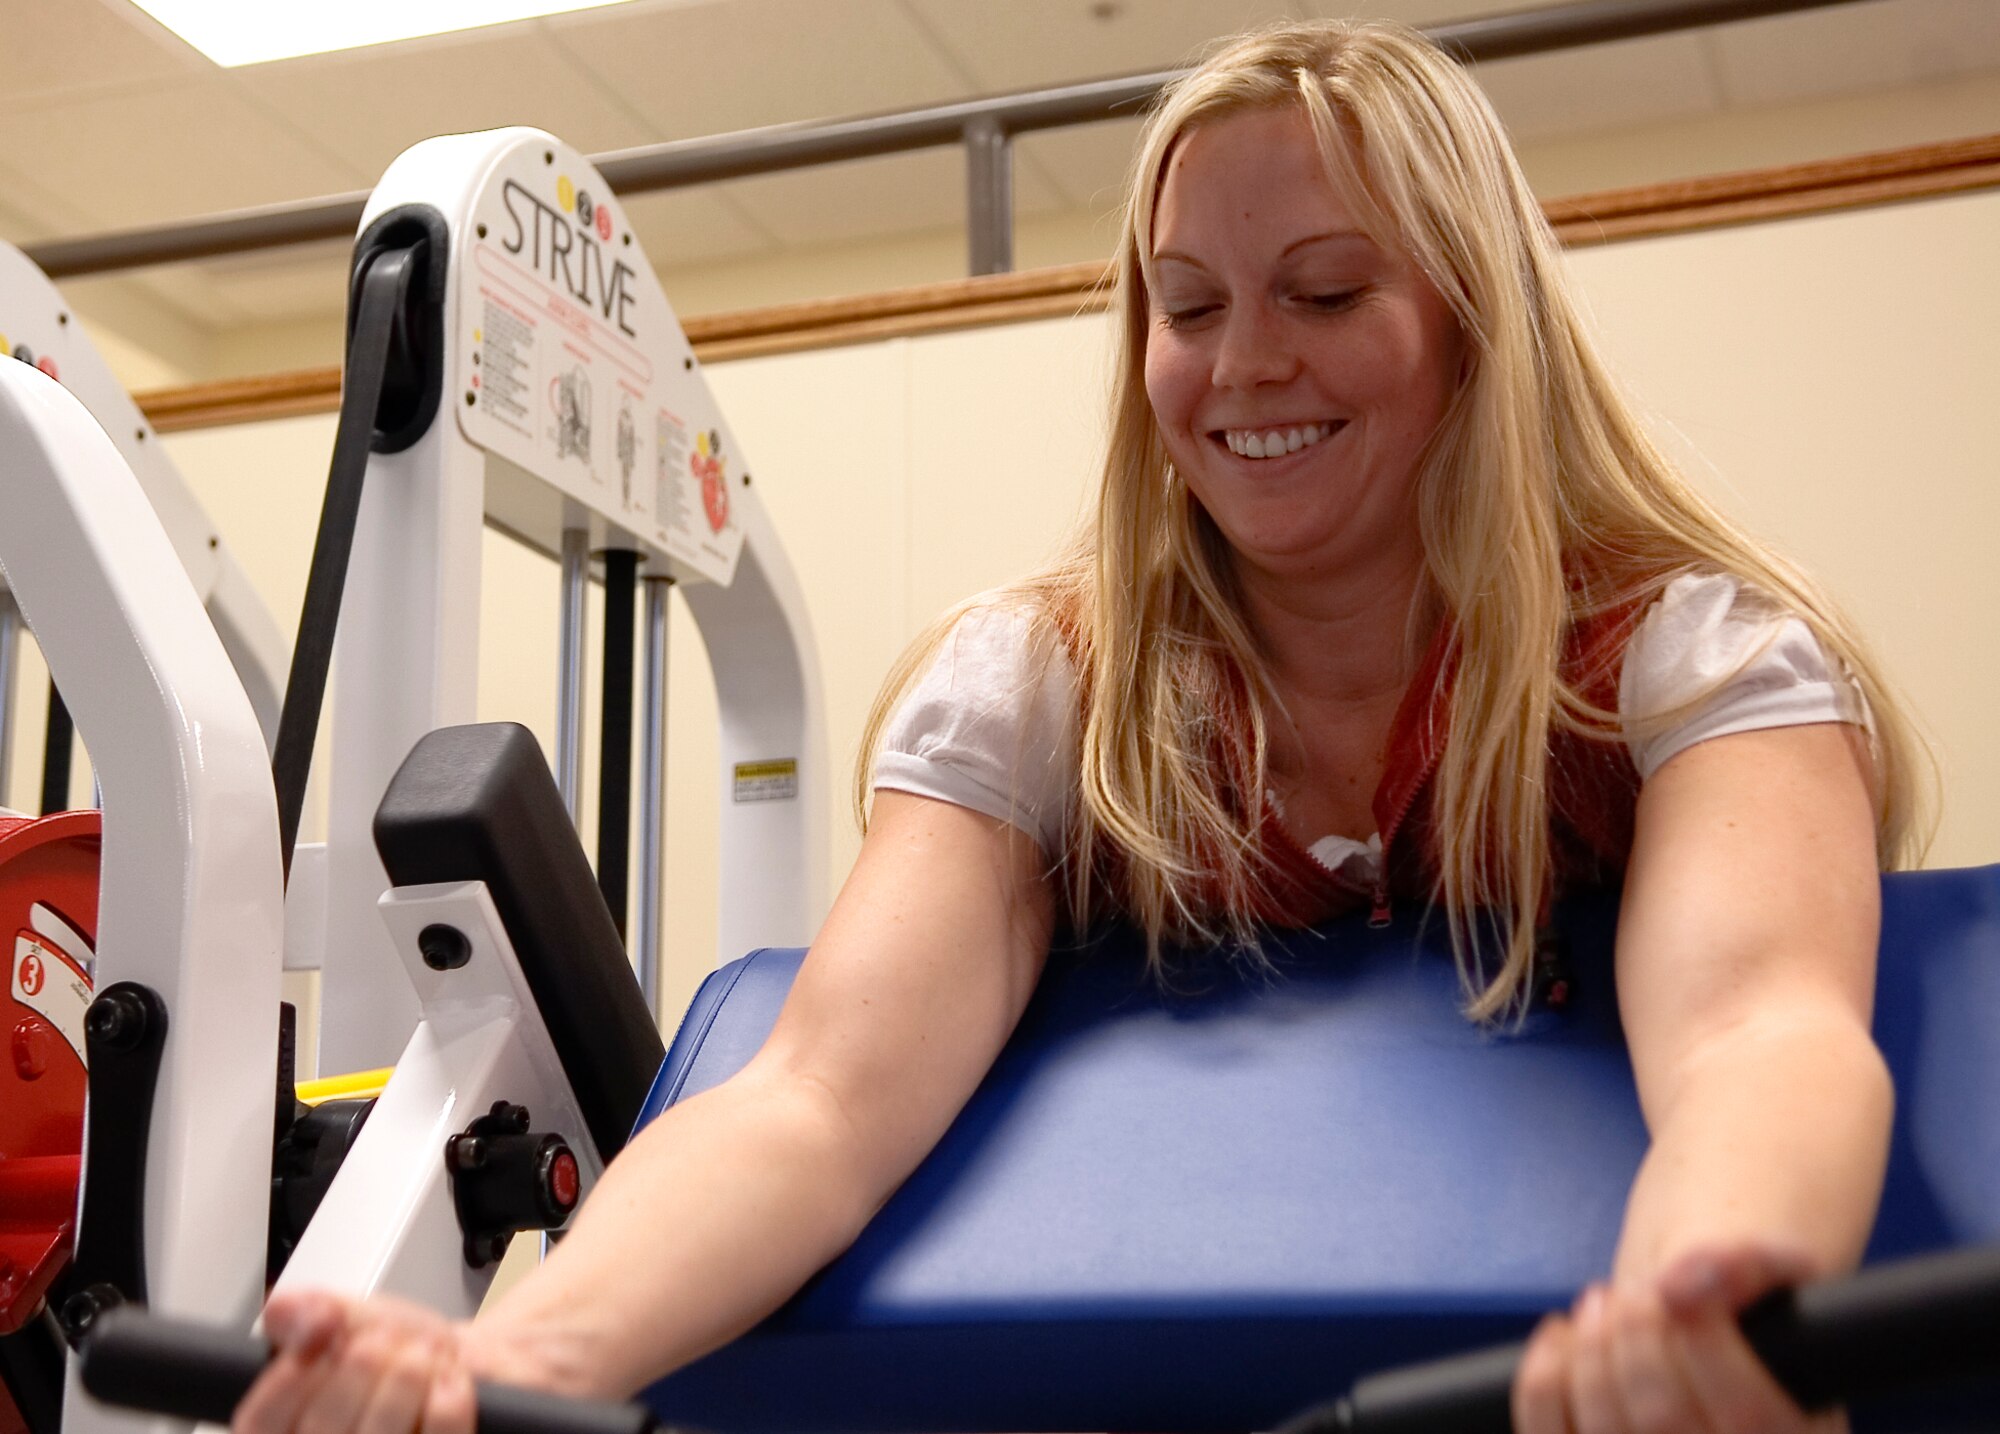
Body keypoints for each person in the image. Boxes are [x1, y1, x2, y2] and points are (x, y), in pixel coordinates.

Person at [236, 19, 1929, 1434]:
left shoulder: (1685, 657)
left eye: (1326, 294)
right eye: (1187, 308)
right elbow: (818, 1095)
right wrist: (504, 1363)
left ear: (1479, 328)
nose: (1243, 362)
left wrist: (1710, 1296)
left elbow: (1758, 1034)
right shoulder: (1058, 695)